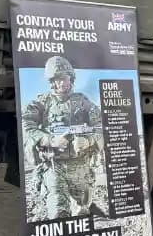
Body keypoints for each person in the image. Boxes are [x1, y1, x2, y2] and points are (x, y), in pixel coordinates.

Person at [21, 56, 106, 220]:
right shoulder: (43, 102)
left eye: (66, 78)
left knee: (83, 211)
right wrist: (49, 140)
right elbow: (26, 124)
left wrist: (87, 140)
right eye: (58, 79)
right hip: (54, 166)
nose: (62, 83)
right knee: (59, 214)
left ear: (71, 79)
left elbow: (101, 126)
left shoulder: (83, 102)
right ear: (52, 81)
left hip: (80, 167)